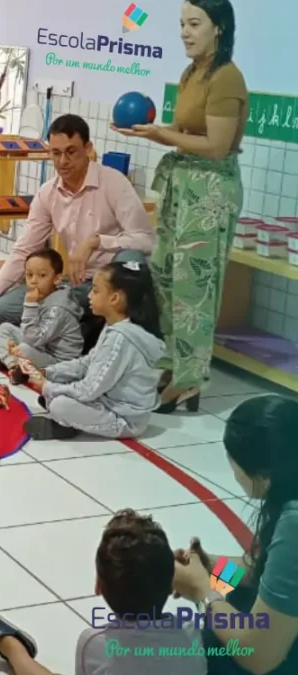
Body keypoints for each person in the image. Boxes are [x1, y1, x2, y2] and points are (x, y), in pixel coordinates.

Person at [113, 0, 246, 414]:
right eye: (182, 24)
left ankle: (190, 379)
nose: (185, 33)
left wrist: (164, 136)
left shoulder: (226, 78)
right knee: (167, 279)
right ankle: (173, 365)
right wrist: (152, 132)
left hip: (208, 192)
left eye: (195, 24)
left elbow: (217, 145)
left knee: (195, 291)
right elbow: (187, 132)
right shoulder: (193, 72)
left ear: (219, 28)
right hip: (181, 185)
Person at [0, 115, 155, 335]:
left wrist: (97, 242)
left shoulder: (114, 182)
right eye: (56, 153)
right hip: (76, 287)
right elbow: (24, 249)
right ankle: (79, 329)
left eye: (71, 152)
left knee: (132, 260)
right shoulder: (47, 193)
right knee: (4, 309)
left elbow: (146, 240)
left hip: (110, 285)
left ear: (88, 148)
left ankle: (88, 327)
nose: (63, 161)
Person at [0, 510, 205, 675]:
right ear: (173, 584)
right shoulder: (193, 632)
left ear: (98, 587)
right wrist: (208, 567)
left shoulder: (94, 642)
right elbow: (229, 586)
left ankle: (14, 649)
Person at [172, 395, 298, 675]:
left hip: (269, 655)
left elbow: (258, 655)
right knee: (236, 596)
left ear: (262, 473)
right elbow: (266, 574)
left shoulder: (294, 523)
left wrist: (204, 591)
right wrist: (210, 565)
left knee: (205, 642)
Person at [24, 261, 165, 441]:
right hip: (106, 399)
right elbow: (88, 362)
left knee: (60, 404)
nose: (89, 295)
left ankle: (67, 422)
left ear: (115, 298)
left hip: (124, 419)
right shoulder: (115, 325)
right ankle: (66, 417)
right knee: (62, 388)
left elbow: (89, 389)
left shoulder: (121, 338)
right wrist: (48, 372)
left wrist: (47, 386)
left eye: (96, 290)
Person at [0, 248, 83, 384]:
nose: (34, 281)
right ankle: (14, 366)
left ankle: (18, 364)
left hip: (59, 361)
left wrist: (30, 306)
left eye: (42, 275)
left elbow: (33, 340)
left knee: (23, 349)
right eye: (29, 275)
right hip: (42, 346)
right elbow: (32, 333)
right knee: (5, 328)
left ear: (57, 279)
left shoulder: (58, 309)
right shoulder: (41, 296)